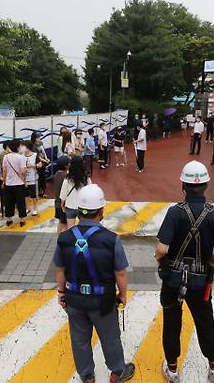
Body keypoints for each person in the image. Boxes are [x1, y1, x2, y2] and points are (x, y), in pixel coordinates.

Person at [155, 161, 214, 382]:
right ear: (206, 185)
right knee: (205, 321)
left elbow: (162, 249)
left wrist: (159, 259)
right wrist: (213, 260)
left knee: (172, 322)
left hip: (173, 280)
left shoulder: (174, 212)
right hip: (201, 281)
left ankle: (173, 369)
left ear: (183, 186)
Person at [54, 184, 136, 383]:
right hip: (103, 301)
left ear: (80, 211)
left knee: (80, 339)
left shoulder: (64, 239)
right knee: (110, 337)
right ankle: (117, 372)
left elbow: (60, 269)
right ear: (101, 211)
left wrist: (61, 292)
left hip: (74, 299)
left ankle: (87, 376)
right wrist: (123, 294)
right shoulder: (111, 240)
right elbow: (120, 272)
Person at [61, 156, 92, 229]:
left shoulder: (67, 180)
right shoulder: (86, 179)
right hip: (83, 207)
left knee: (70, 228)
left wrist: (62, 206)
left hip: (70, 207)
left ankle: (72, 240)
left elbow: (63, 196)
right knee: (83, 228)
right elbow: (90, 193)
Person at [2, 139, 28, 227]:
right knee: (21, 202)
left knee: (9, 202)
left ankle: (9, 219)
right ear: (17, 147)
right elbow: (23, 172)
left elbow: (4, 171)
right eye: (20, 145)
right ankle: (22, 220)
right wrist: (24, 180)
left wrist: (4, 182)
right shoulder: (21, 157)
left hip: (8, 184)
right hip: (19, 183)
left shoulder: (6, 157)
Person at [23, 140, 41, 216]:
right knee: (26, 195)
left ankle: (35, 208)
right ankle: (28, 208)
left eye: (23, 146)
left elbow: (40, 165)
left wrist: (33, 166)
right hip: (24, 179)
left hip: (33, 178)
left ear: (28, 148)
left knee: (34, 195)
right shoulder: (21, 156)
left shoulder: (35, 155)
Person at [54, 156, 71, 233]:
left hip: (57, 203)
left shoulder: (57, 174)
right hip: (63, 204)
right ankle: (63, 240)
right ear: (66, 166)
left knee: (61, 222)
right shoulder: (66, 176)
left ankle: (57, 237)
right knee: (65, 224)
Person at [31, 133, 50, 198]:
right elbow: (37, 156)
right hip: (38, 163)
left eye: (39, 137)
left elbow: (43, 152)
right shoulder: (33, 146)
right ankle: (38, 192)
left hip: (43, 164)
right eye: (37, 137)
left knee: (43, 178)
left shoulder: (41, 143)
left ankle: (43, 191)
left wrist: (46, 158)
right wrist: (44, 160)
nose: (39, 138)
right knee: (38, 179)